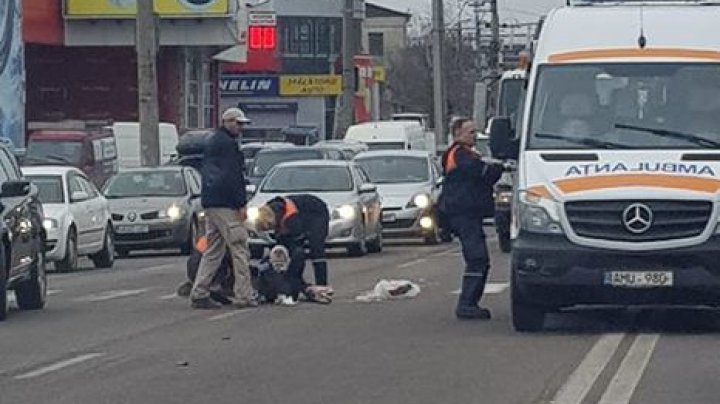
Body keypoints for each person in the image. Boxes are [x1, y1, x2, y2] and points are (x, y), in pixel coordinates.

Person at [190, 107, 257, 309]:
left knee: (213, 250)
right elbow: (232, 176)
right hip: (226, 205)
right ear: (227, 122)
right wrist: (240, 203)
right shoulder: (228, 145)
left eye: (242, 124)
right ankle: (244, 294)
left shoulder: (212, 141)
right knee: (239, 248)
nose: (241, 128)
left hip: (211, 202)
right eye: (238, 124)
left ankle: (200, 291)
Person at [439, 117, 503, 320]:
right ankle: (467, 304)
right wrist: (498, 168)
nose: (474, 135)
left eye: (475, 132)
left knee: (479, 259)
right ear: (457, 134)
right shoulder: (459, 154)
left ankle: (470, 303)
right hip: (462, 214)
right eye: (470, 132)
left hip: (468, 213)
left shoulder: (466, 154)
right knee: (477, 259)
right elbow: (480, 172)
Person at [254, 194, 333, 303]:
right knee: (287, 251)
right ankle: (295, 285)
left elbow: (297, 240)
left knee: (315, 248)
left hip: (317, 212)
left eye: (271, 228)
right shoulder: (269, 210)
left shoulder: (291, 218)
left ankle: (322, 286)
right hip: (299, 213)